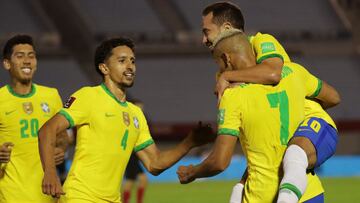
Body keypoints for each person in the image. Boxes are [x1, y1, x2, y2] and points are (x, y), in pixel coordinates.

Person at [38, 37, 214, 203]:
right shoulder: (89, 96)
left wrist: (189, 142)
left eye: (132, 61)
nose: (130, 66)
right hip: (80, 196)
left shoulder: (135, 113)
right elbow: (47, 130)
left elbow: (154, 163)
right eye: (122, 61)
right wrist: (50, 172)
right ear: (104, 68)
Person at [201, 2, 340, 203]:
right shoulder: (223, 73)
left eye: (207, 31)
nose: (203, 39)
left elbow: (273, 73)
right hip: (276, 137)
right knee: (241, 189)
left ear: (227, 28)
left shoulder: (261, 41)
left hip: (311, 123)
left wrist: (298, 112)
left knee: (294, 155)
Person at [0, 34, 68, 203]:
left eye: (31, 56)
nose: (27, 61)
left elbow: (63, 138)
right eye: (20, 56)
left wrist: (60, 150)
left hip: (47, 193)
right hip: (12, 194)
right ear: (7, 63)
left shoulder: (51, 96)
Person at [123, 100, 148, 203]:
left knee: (132, 180)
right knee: (139, 179)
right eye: (139, 108)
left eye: (141, 108)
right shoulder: (128, 120)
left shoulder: (137, 120)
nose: (141, 110)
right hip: (130, 154)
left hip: (134, 154)